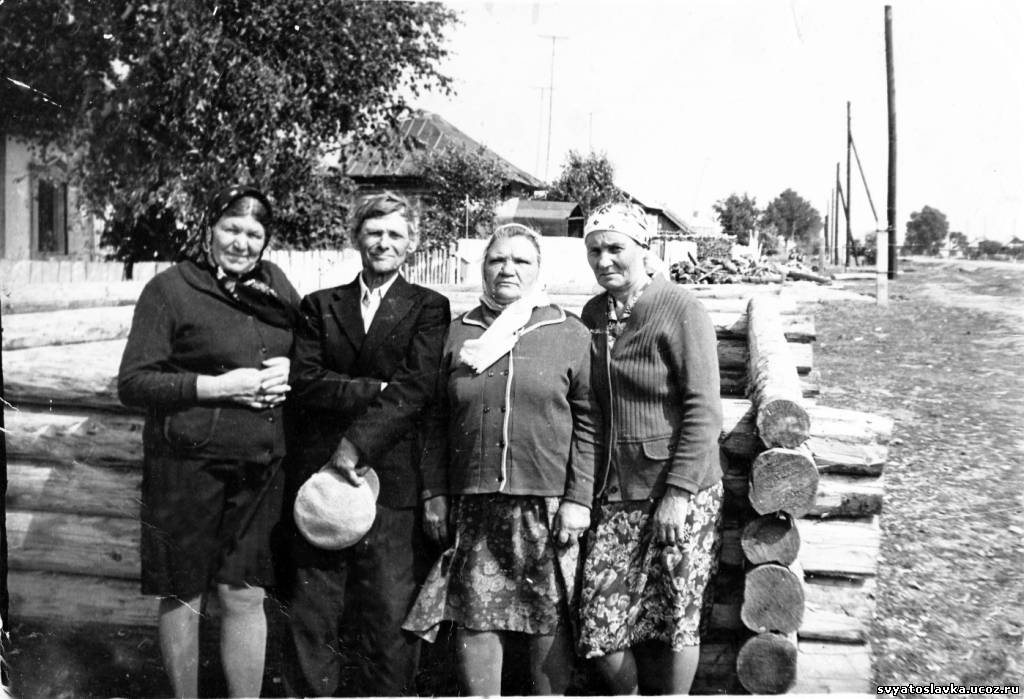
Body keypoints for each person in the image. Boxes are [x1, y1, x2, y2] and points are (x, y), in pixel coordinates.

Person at [117, 184, 301, 698]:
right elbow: (133, 383)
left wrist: (292, 367)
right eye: (231, 229)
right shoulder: (171, 289)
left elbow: (309, 348)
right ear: (209, 230)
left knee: (245, 593)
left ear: (266, 241)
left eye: (254, 234)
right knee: (184, 593)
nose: (241, 243)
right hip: (186, 467)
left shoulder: (276, 286)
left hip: (260, 468)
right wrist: (218, 387)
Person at [403, 223, 600, 695]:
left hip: (547, 503)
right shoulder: (458, 333)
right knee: (475, 613)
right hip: (473, 500)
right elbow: (433, 420)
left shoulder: (568, 332)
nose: (508, 269)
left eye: (521, 260)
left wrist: (579, 499)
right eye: (497, 260)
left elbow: (591, 423)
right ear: (483, 268)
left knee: (548, 614)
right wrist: (433, 492)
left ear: (539, 270)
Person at [284, 191, 450, 697]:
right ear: (357, 237)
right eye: (374, 232)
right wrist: (376, 388)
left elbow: (416, 388)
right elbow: (305, 381)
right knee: (314, 616)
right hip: (323, 483)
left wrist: (356, 443)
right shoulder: (319, 306)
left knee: (387, 617)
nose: (383, 242)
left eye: (395, 234)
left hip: (392, 484)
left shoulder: (428, 307)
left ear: (412, 244)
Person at [576, 202, 724, 695]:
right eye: (594, 250)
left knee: (678, 613)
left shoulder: (680, 307)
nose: (604, 261)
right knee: (599, 620)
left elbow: (704, 408)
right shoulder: (594, 314)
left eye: (615, 248)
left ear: (644, 248)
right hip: (617, 492)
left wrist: (678, 494)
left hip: (680, 492)